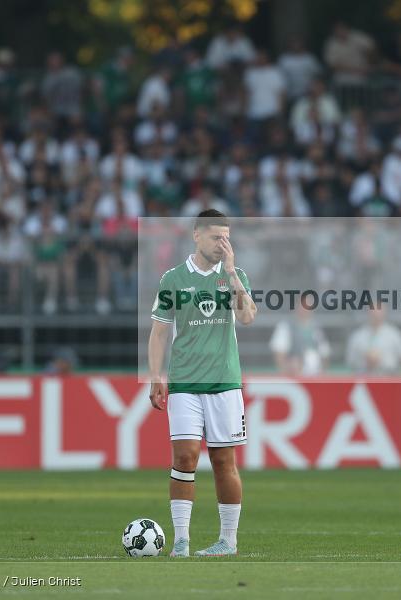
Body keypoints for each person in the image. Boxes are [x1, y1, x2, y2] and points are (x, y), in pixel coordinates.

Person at [148, 209, 257, 558]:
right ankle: (181, 540)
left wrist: (230, 274)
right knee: (184, 457)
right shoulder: (174, 279)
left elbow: (248, 316)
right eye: (215, 237)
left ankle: (228, 540)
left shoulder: (234, 275)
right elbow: (159, 331)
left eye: (225, 237)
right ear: (196, 236)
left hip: (224, 383)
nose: (221, 244)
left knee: (224, 460)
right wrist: (155, 375)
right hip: (184, 384)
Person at [269, 304, 331, 375]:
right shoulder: (285, 326)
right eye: (303, 306)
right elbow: (279, 355)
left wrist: (322, 372)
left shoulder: (317, 328)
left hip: (315, 376)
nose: (305, 309)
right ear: (296, 307)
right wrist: (288, 368)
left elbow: (325, 355)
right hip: (295, 376)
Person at [345, 306, 401, 373]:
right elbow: (350, 361)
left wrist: (383, 360)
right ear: (368, 313)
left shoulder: (395, 334)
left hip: (389, 377)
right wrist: (366, 360)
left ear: (384, 313)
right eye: (373, 313)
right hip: (363, 378)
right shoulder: (357, 336)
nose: (376, 316)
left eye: (379, 313)